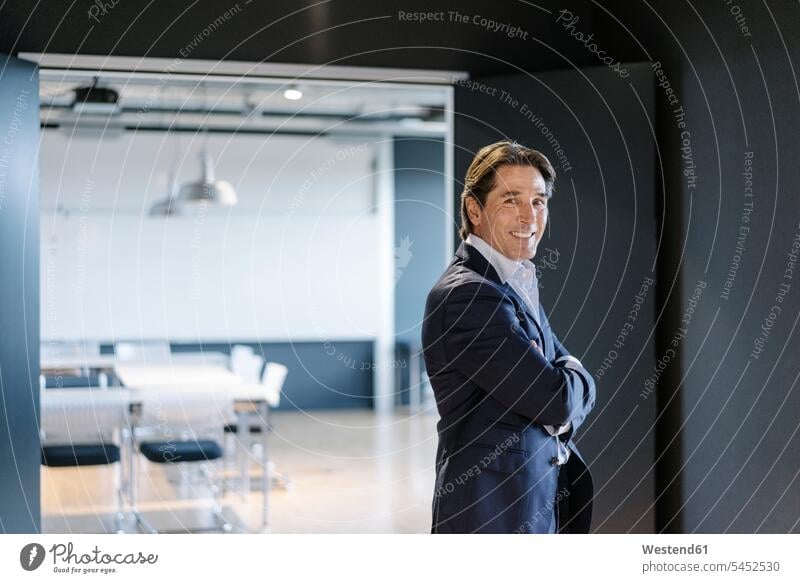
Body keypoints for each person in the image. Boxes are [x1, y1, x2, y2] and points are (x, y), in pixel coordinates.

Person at [422, 141, 596, 534]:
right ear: (474, 209)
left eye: (538, 201)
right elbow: (557, 401)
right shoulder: (469, 295)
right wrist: (571, 372)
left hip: (527, 501)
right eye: (510, 200)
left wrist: (561, 374)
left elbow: (556, 388)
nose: (528, 216)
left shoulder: (513, 282)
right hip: (492, 514)